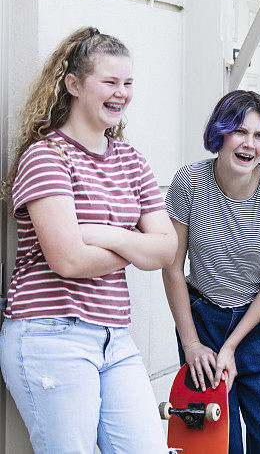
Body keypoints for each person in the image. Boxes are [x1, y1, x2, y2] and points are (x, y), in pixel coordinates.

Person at [0, 26, 177, 452]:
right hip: (50, 334)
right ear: (74, 84)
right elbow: (69, 262)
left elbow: (168, 249)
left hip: (114, 338)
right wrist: (136, 246)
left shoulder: (132, 160)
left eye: (128, 83)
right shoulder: (46, 156)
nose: (122, 93)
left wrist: (102, 234)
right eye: (110, 82)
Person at [162, 90, 260, 454]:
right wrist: (191, 343)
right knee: (217, 446)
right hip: (202, 322)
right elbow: (172, 268)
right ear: (220, 134)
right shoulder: (189, 182)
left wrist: (232, 345)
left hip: (258, 327)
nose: (249, 143)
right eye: (240, 131)